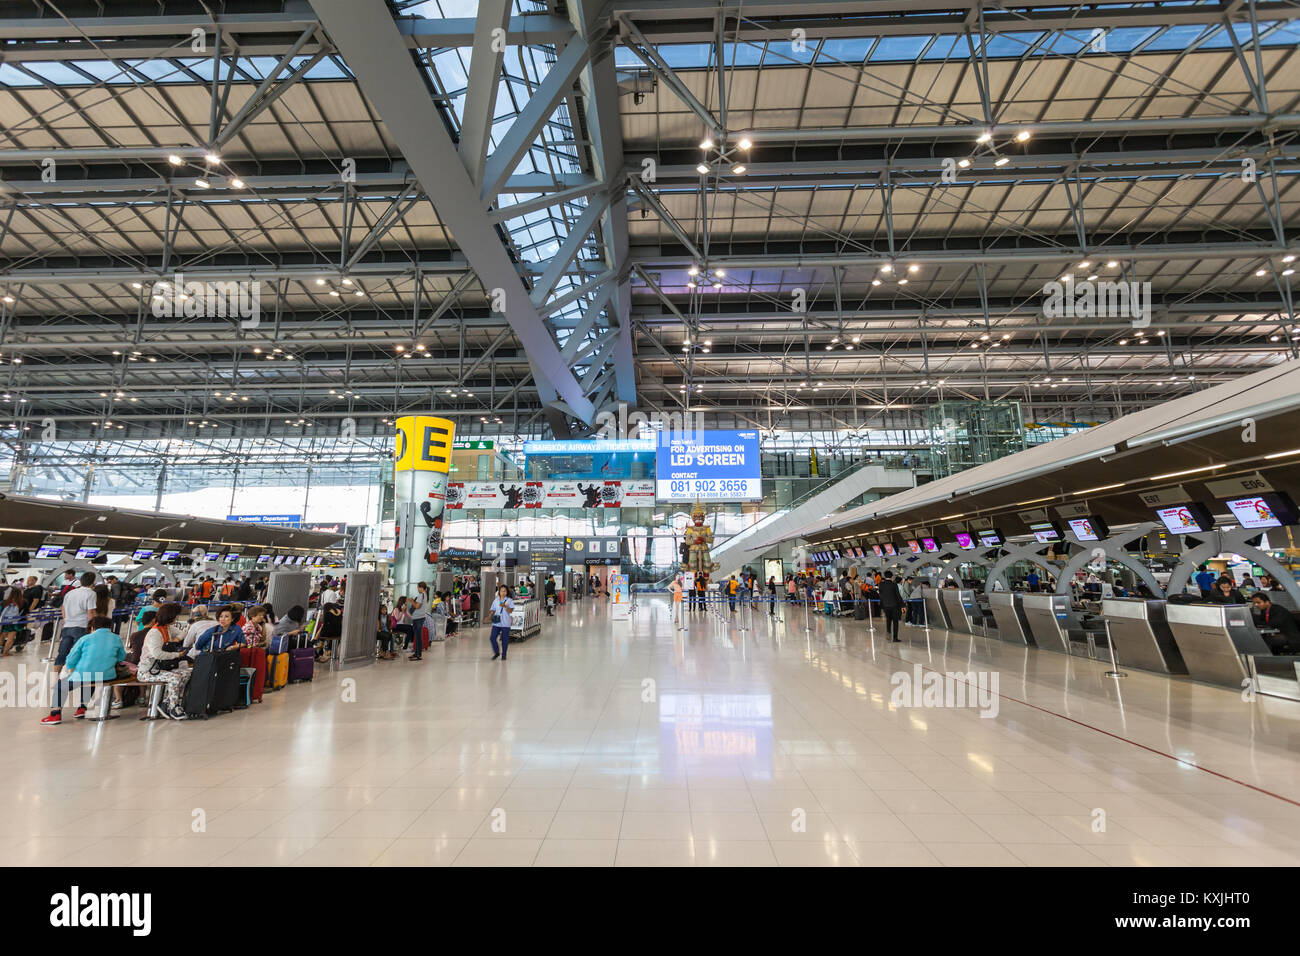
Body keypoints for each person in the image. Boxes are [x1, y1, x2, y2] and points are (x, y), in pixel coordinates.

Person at [40, 615, 125, 725]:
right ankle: (82, 708)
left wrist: (72, 669)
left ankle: (55, 714)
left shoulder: (85, 639)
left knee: (61, 686)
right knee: (91, 681)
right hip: (108, 675)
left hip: (84, 674)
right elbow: (121, 657)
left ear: (93, 627)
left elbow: (70, 659)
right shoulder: (116, 638)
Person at [136, 603, 191, 720]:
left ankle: (166, 702)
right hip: (147, 671)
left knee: (186, 673)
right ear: (169, 616)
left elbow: (184, 632)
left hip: (160, 668)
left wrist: (174, 640)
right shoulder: (155, 633)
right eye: (175, 616)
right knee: (175, 677)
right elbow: (157, 654)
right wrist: (176, 654)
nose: (176, 619)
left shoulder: (167, 628)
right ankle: (173, 706)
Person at [56, 571, 99, 675]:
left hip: (67, 626)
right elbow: (90, 612)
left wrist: (66, 620)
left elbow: (63, 608)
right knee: (77, 653)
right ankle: (74, 676)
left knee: (62, 653)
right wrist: (93, 628)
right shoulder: (91, 593)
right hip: (81, 626)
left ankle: (55, 677)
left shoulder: (70, 593)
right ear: (92, 582)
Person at [488, 584, 514, 661]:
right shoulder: (495, 600)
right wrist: (489, 616)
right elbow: (492, 610)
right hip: (496, 622)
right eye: (501, 591)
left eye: (504, 591)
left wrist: (505, 606)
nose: (502, 592)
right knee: (492, 638)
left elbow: (511, 611)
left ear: (506, 592)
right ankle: (496, 652)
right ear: (499, 592)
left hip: (505, 623)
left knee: (504, 640)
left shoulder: (509, 600)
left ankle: (504, 654)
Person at [878, 571, 903, 641]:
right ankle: (895, 638)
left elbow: (881, 595)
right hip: (894, 606)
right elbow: (898, 596)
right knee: (895, 622)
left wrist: (882, 604)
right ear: (892, 577)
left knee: (888, 620)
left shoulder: (881, 584)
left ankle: (888, 632)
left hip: (886, 605)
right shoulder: (894, 584)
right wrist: (902, 605)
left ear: (885, 576)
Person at [408, 583, 430, 661]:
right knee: (417, 636)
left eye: (418, 587)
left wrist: (411, 601)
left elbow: (417, 606)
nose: (417, 589)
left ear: (421, 588)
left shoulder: (421, 595)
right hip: (420, 617)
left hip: (418, 617)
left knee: (418, 636)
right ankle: (417, 652)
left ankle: (418, 654)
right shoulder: (425, 594)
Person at [0, 586, 24, 655]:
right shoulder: (23, 602)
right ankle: (5, 653)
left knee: (2, 635)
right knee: (11, 637)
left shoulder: (5, 602)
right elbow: (26, 613)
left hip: (4, 621)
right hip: (15, 622)